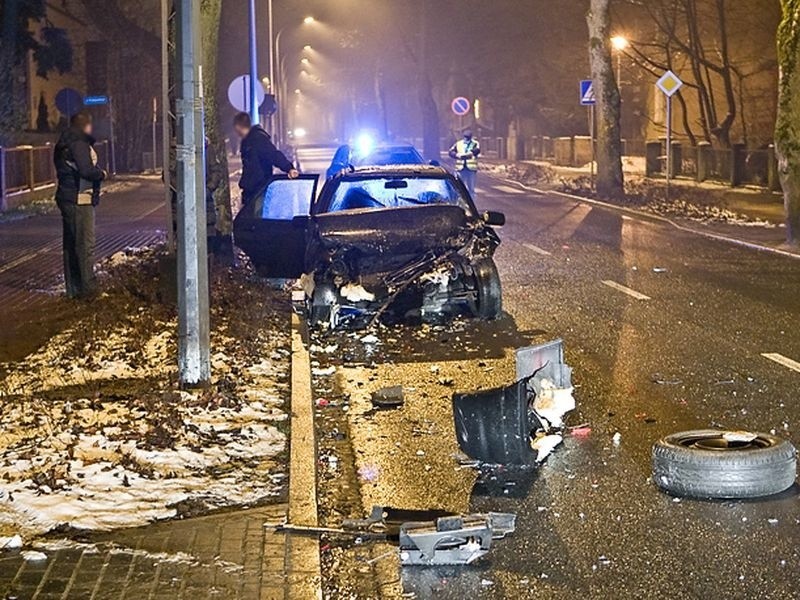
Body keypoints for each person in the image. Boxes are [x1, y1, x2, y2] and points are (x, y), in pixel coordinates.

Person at [54, 111, 107, 299]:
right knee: (85, 244)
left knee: (71, 245)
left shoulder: (64, 142)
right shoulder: (78, 143)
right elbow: (86, 170)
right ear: (85, 126)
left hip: (66, 197)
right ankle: (88, 289)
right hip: (79, 198)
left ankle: (74, 289)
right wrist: (101, 174)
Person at [232, 112, 298, 205]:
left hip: (259, 189)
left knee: (257, 217)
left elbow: (273, 155)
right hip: (252, 189)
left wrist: (289, 168)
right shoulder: (248, 140)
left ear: (239, 126)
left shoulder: (258, 139)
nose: (236, 133)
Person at [449, 128, 481, 197]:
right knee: (460, 187)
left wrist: (469, 154)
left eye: (468, 138)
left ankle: (471, 204)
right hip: (460, 168)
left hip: (471, 169)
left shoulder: (475, 143)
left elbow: (477, 150)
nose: (466, 139)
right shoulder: (458, 143)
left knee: (471, 189)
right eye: (466, 137)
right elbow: (451, 152)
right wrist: (457, 155)